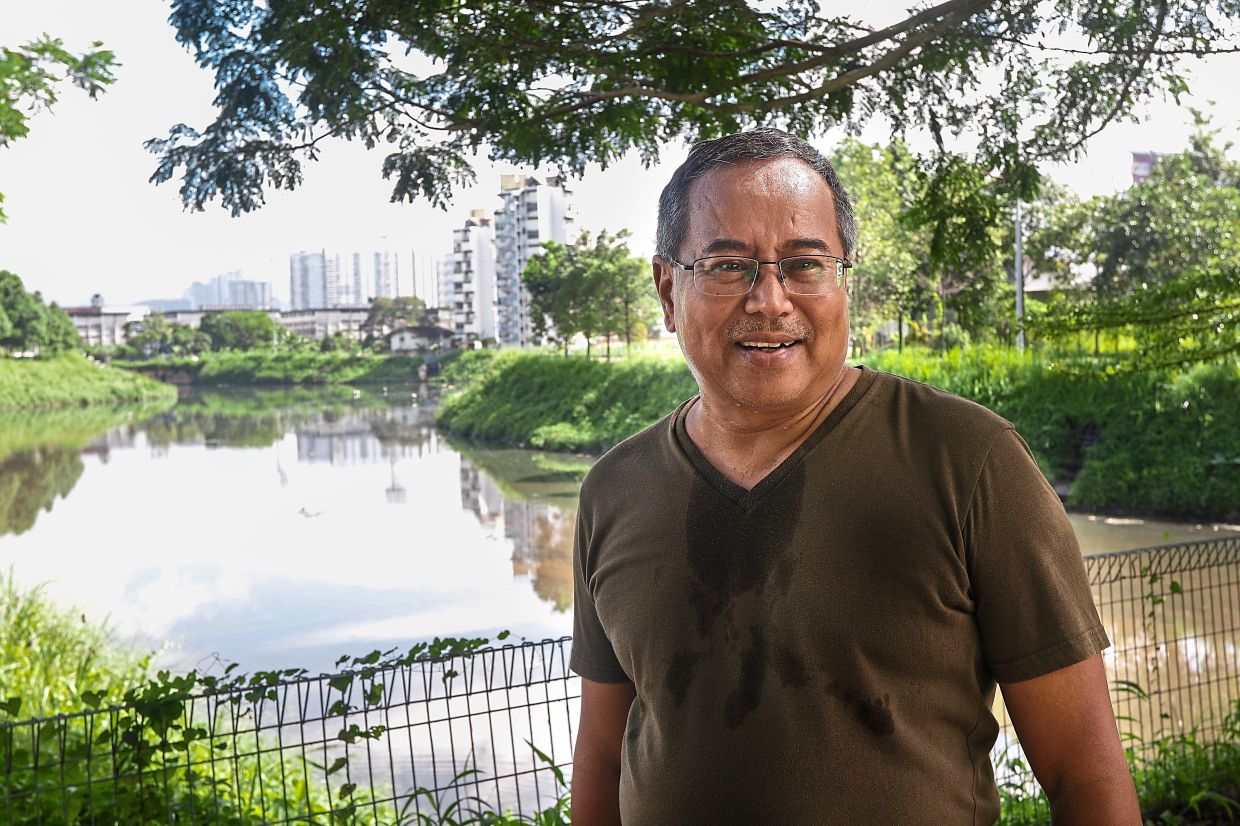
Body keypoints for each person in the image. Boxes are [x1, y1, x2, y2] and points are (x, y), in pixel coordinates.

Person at [568, 128, 1140, 825]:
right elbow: (601, 756)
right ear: (666, 290)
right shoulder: (615, 489)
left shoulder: (968, 460)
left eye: (805, 264)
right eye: (726, 266)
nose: (769, 301)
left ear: (844, 283)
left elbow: (1081, 767)